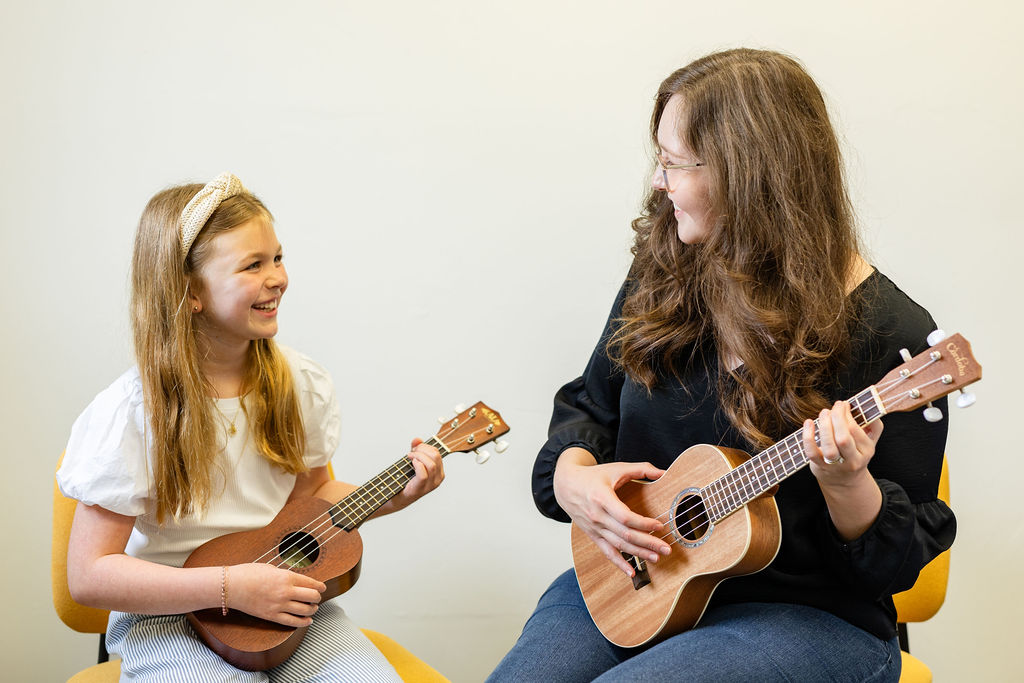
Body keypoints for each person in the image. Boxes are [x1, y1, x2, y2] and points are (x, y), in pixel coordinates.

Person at [489, 48, 956, 682]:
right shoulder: (668, 271)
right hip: (642, 581)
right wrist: (574, 480)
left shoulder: (894, 334)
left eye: (674, 165)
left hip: (808, 616)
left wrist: (847, 483)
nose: (659, 183)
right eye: (660, 161)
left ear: (747, 176)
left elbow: (894, 571)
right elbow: (590, 406)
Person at [58, 173, 444, 682]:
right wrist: (228, 587)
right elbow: (88, 576)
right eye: (252, 265)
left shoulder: (298, 384)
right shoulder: (133, 414)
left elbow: (311, 498)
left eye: (278, 258)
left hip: (281, 596)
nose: (277, 278)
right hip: (167, 612)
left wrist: (398, 493)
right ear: (190, 291)